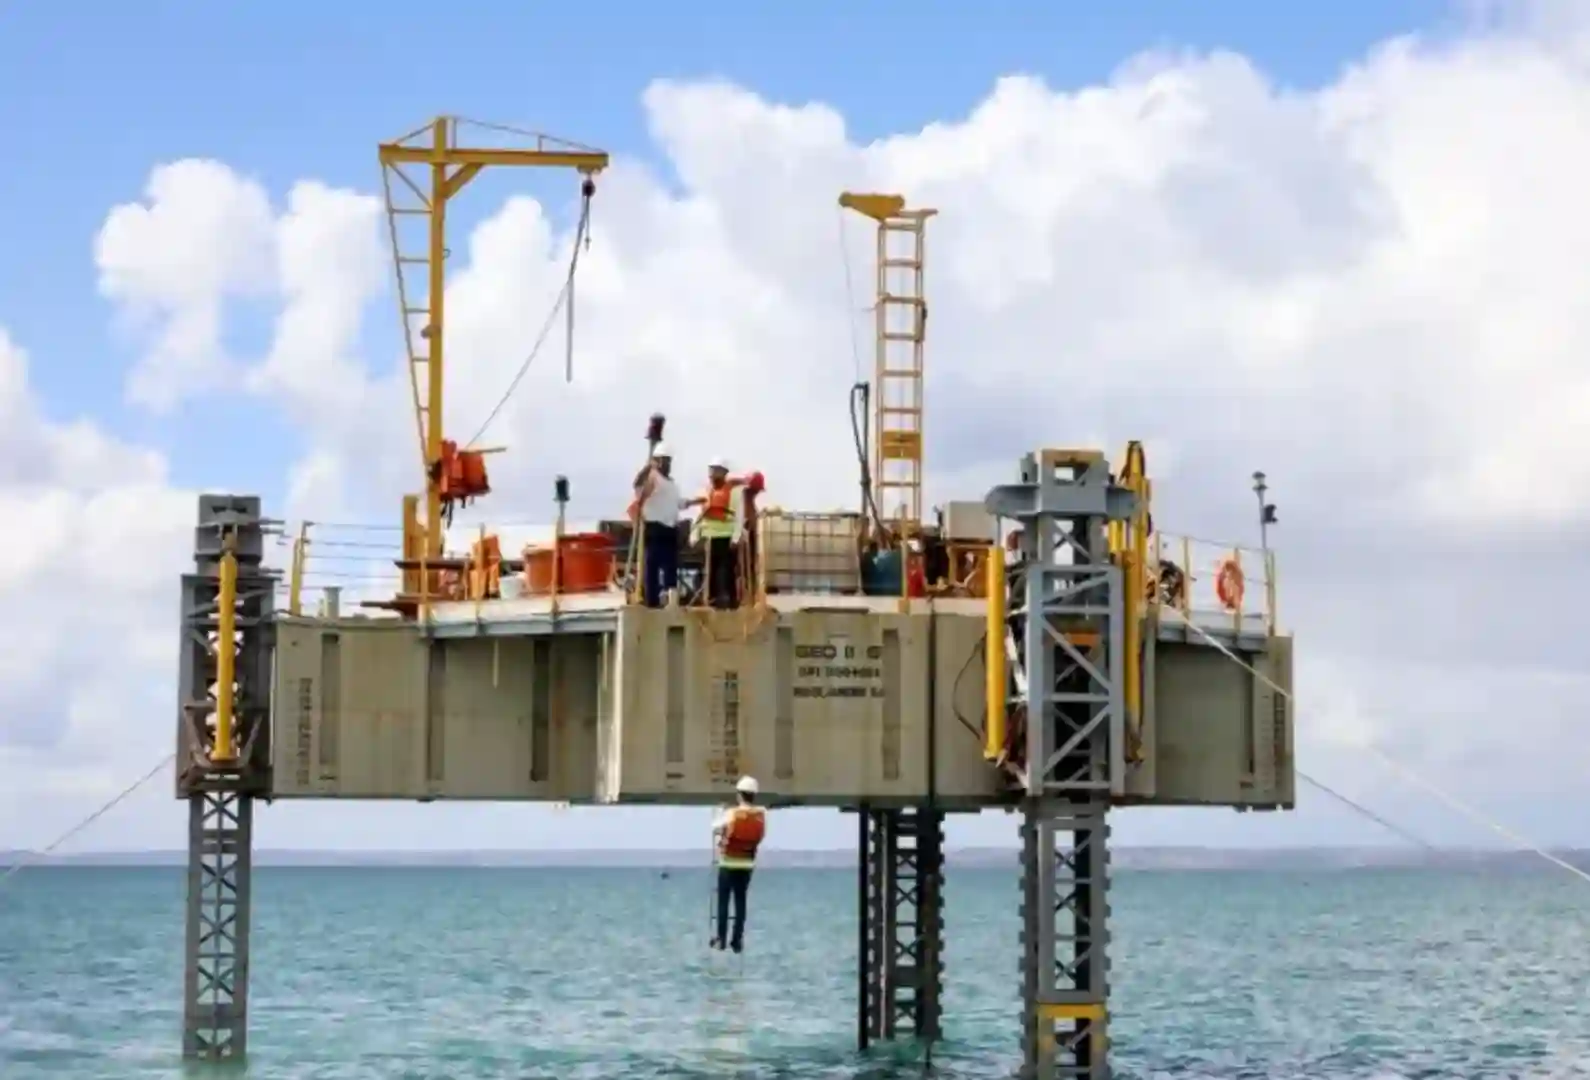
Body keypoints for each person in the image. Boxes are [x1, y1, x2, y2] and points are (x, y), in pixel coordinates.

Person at [711, 776, 766, 953]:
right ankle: (737, 940)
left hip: (728, 863)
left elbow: (714, 827)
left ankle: (721, 939)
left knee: (723, 902)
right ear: (754, 795)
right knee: (740, 903)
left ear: (739, 795)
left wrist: (720, 812)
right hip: (746, 866)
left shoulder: (732, 814)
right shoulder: (760, 815)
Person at [633, 444, 689, 608]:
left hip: (670, 529)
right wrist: (648, 467)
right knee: (653, 565)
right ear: (657, 461)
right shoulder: (652, 478)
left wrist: (695, 501)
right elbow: (637, 485)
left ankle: (671, 601)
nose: (667, 464)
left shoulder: (672, 484)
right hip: (655, 528)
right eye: (664, 461)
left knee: (671, 566)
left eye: (669, 461)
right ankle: (652, 601)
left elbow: (679, 503)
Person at [694, 458, 741, 609]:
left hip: (726, 538)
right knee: (710, 572)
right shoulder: (706, 491)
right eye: (711, 470)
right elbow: (699, 517)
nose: (712, 474)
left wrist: (735, 538)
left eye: (716, 471)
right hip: (709, 538)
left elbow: (738, 518)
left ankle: (728, 601)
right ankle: (711, 600)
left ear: (724, 473)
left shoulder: (733, 493)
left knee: (726, 572)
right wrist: (695, 536)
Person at [731, 470, 766, 601]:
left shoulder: (747, 499)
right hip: (742, 538)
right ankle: (743, 597)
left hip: (746, 536)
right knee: (743, 569)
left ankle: (748, 596)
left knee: (748, 568)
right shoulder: (743, 499)